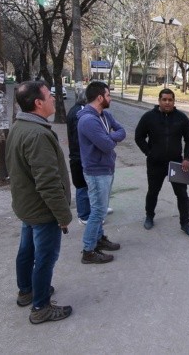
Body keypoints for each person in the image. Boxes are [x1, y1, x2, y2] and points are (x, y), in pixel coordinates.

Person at [6, 80, 72, 324]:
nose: (54, 99)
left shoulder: (20, 125)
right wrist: (63, 216)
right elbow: (48, 183)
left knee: (27, 251)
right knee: (45, 258)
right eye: (49, 95)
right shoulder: (37, 135)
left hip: (27, 206)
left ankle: (27, 291)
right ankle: (41, 307)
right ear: (38, 103)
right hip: (42, 210)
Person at [135, 88, 189, 237]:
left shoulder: (181, 118)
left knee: (182, 194)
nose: (167, 102)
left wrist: (187, 158)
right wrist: (149, 152)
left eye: (170, 100)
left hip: (176, 164)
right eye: (164, 99)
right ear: (159, 101)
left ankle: (185, 223)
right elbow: (139, 137)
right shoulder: (149, 117)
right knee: (153, 192)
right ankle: (149, 216)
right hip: (155, 163)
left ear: (174, 101)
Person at [77, 81, 126, 264]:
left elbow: (121, 132)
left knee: (100, 209)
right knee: (98, 211)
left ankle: (99, 239)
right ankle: (88, 250)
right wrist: (110, 139)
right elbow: (106, 145)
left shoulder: (105, 115)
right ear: (100, 98)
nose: (110, 98)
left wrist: (109, 137)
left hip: (106, 168)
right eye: (108, 95)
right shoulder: (88, 120)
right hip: (96, 172)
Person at [66, 91, 112, 225]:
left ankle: (98, 208)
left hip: (81, 155)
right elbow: (84, 137)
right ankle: (84, 216)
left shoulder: (78, 111)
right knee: (83, 186)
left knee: (92, 187)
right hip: (79, 156)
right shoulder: (81, 114)